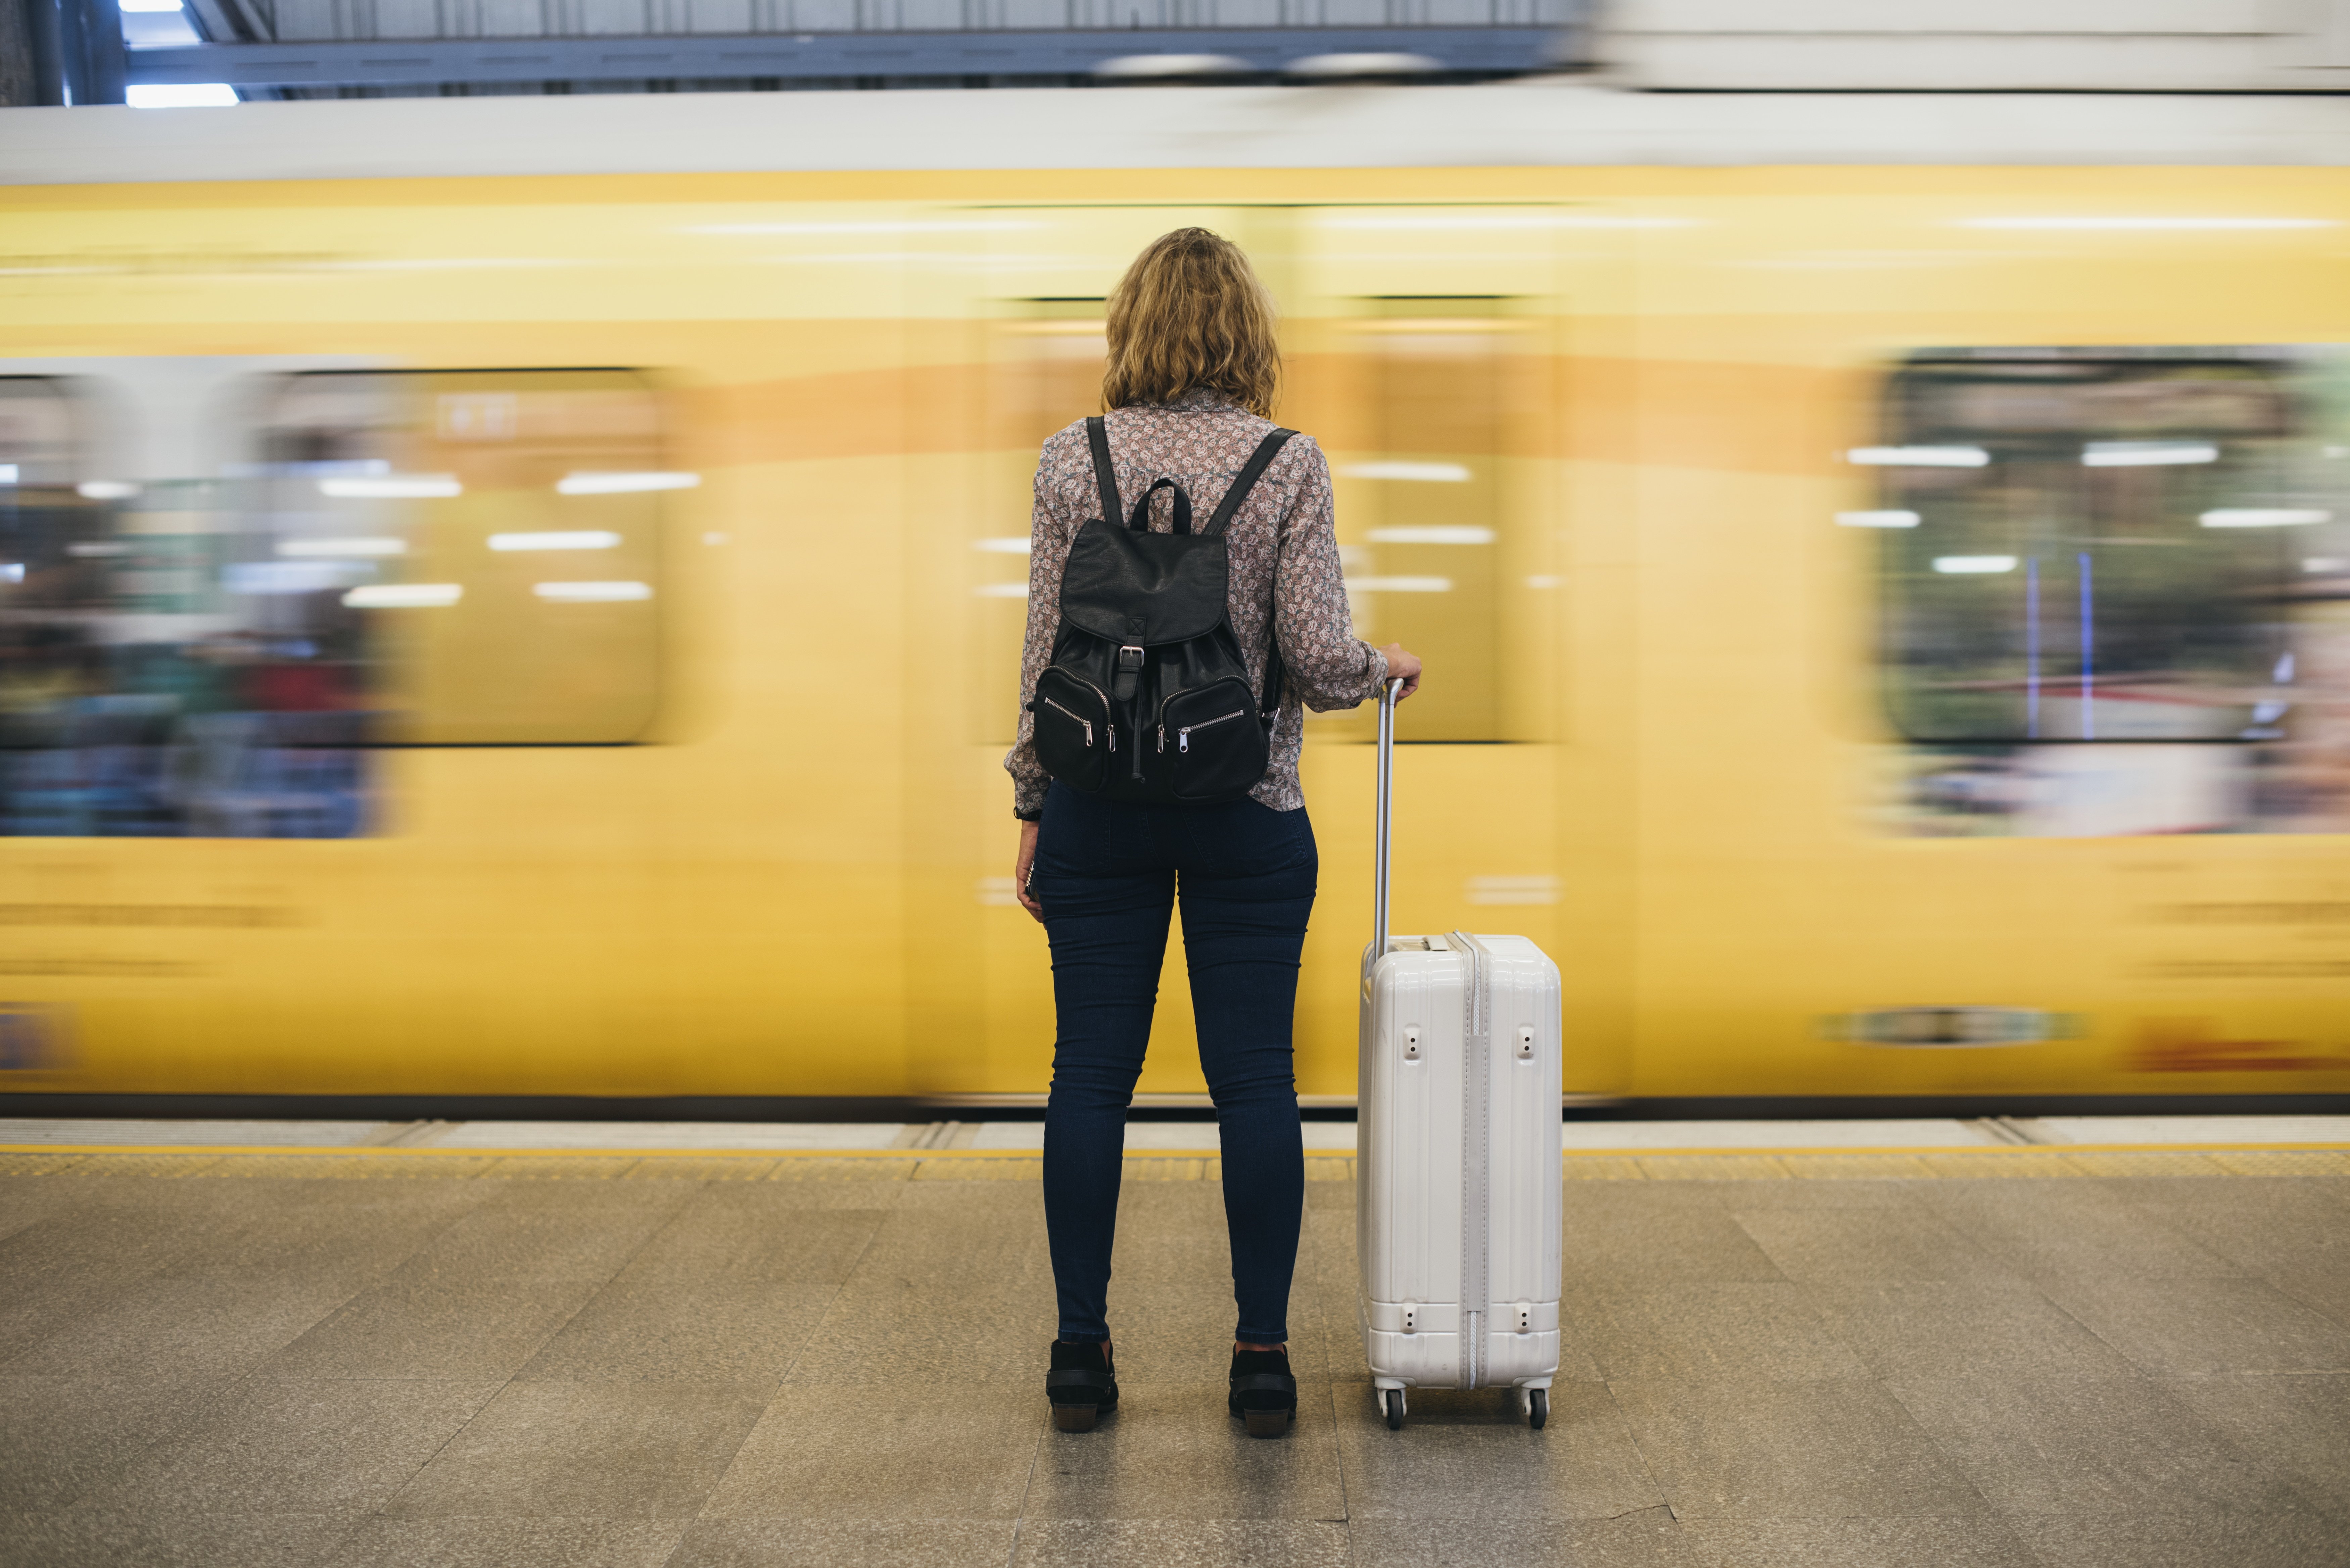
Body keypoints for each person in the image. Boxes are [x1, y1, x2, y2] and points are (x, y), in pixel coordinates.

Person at [1004, 228, 1422, 1437]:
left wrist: (1034, 802)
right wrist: (1382, 665)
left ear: (1130, 328)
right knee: (1255, 1085)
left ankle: (1082, 1358)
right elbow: (1316, 660)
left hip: (1096, 811)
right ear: (1249, 332)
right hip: (1247, 815)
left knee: (1089, 1079)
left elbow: (1042, 660)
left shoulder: (1067, 462)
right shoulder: (1288, 464)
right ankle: (1261, 1361)